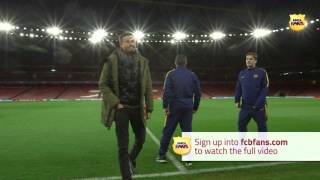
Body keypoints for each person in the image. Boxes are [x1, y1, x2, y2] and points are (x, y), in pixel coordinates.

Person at [99, 32, 153, 180]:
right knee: (123, 146)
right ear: (121, 44)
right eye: (128, 41)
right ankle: (126, 176)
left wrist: (149, 107)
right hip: (121, 108)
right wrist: (116, 103)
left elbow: (148, 85)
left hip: (137, 107)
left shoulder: (143, 61)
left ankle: (131, 159)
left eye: (134, 41)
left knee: (141, 140)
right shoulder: (111, 61)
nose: (132, 43)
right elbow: (103, 85)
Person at [157, 55, 201, 164]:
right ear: (186, 63)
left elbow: (166, 91)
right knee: (187, 132)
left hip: (174, 106)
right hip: (187, 106)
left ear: (175, 63)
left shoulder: (171, 74)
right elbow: (198, 93)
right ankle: (188, 158)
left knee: (168, 131)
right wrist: (195, 107)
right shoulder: (192, 75)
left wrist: (165, 106)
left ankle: (162, 155)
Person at [235, 52, 269, 132]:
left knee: (262, 127)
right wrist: (237, 100)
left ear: (255, 61)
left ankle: (263, 144)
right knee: (241, 125)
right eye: (247, 59)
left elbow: (264, 90)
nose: (248, 61)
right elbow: (238, 88)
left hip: (259, 107)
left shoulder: (262, 72)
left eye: (251, 59)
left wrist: (258, 105)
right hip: (245, 106)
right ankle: (243, 143)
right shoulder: (242, 73)